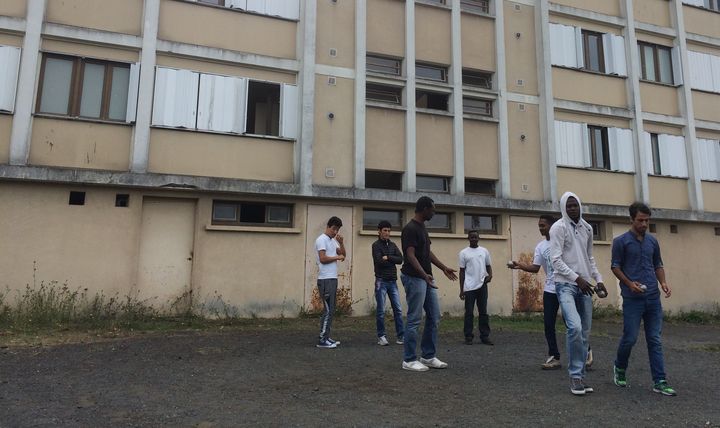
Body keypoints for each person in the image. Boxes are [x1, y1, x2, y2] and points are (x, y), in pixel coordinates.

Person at [611, 202, 676, 396]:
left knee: (654, 339)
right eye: (640, 220)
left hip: (653, 298)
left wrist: (663, 282)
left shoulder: (652, 242)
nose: (644, 224)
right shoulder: (620, 242)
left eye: (647, 220)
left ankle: (660, 381)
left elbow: (658, 264)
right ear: (631, 219)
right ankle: (620, 367)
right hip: (632, 299)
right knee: (630, 338)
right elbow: (615, 267)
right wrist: (630, 284)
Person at [549, 192, 607, 395]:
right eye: (569, 206)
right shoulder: (558, 228)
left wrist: (599, 280)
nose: (573, 209)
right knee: (574, 327)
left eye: (575, 205)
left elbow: (589, 257)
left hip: (585, 286)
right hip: (565, 285)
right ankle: (574, 377)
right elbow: (555, 260)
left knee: (584, 333)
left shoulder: (587, 228)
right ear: (564, 208)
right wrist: (577, 279)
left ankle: (581, 377)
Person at [400, 196, 458, 372]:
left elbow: (427, 252)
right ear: (424, 209)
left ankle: (427, 356)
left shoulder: (422, 228)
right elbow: (410, 255)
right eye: (432, 209)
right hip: (414, 277)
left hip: (426, 278)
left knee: (434, 316)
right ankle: (409, 360)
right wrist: (423, 274)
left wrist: (443, 268)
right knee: (414, 319)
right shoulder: (410, 229)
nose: (434, 212)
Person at [508, 215, 561, 368]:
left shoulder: (563, 241)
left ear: (552, 226)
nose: (540, 228)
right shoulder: (541, 246)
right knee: (548, 324)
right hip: (550, 289)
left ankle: (586, 351)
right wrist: (520, 265)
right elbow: (535, 267)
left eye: (543, 225)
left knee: (572, 323)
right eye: (539, 225)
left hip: (567, 287)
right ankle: (554, 356)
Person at [315, 216, 346, 349]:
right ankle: (322, 340)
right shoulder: (321, 240)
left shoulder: (333, 241)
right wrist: (336, 257)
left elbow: (343, 255)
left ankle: (326, 336)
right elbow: (322, 258)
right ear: (328, 226)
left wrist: (342, 243)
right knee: (327, 310)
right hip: (325, 279)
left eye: (337, 230)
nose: (335, 232)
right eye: (334, 229)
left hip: (332, 278)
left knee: (331, 309)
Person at [372, 220, 405, 346]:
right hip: (381, 281)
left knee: (398, 309)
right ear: (379, 231)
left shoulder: (393, 245)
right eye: (385, 230)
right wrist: (390, 259)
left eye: (389, 230)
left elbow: (400, 259)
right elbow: (379, 261)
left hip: (393, 281)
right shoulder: (376, 245)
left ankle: (401, 336)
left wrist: (388, 257)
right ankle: (381, 336)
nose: (387, 233)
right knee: (381, 310)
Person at [459, 230, 493, 345]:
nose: (473, 239)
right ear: (468, 238)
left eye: (475, 237)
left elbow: (488, 266)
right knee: (469, 312)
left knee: (483, 311)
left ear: (478, 238)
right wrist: (461, 289)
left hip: (482, 285)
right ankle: (468, 336)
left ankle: (485, 336)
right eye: (471, 237)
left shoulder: (484, 251)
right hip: (469, 287)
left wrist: (490, 276)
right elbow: (462, 272)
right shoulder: (463, 253)